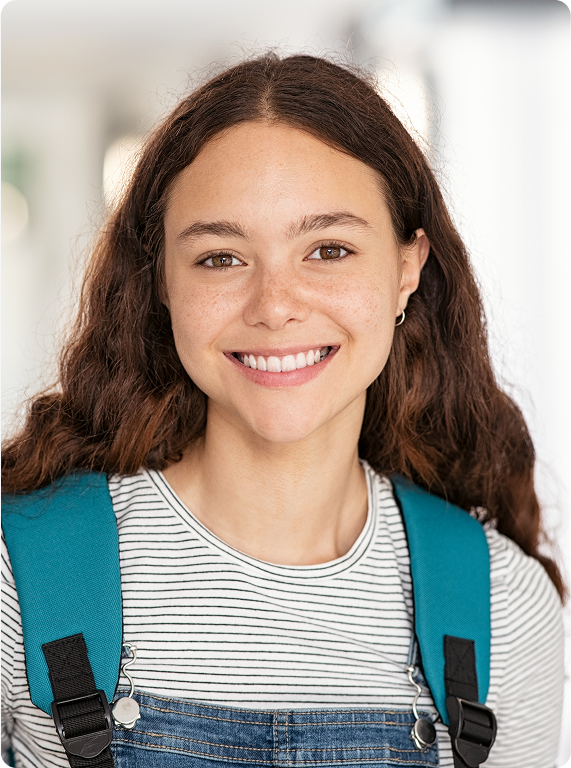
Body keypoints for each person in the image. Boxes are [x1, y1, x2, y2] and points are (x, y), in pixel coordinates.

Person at [1, 53, 565, 768]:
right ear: (161, 282)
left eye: (328, 249)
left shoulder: (501, 607)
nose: (273, 307)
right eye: (220, 258)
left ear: (405, 269)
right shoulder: (19, 574)